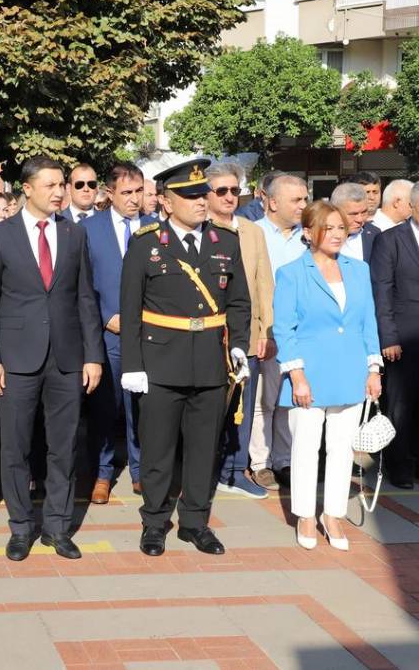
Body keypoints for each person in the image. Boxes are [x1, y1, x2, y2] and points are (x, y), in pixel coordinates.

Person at [121, 158, 251, 557]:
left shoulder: (225, 242)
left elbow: (240, 302)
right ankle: (155, 524)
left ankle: (195, 523)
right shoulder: (146, 244)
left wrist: (238, 345)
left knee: (202, 451)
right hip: (160, 364)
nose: (200, 201)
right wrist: (132, 366)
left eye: (202, 193)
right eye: (190, 195)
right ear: (165, 201)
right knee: (159, 453)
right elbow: (130, 310)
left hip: (211, 364)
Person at [0, 156, 103, 561]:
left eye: (61, 185)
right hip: (16, 359)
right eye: (50, 185)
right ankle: (20, 528)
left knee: (63, 446)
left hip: (67, 358)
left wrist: (93, 356)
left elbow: (86, 297)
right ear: (27, 189)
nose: (59, 192)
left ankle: (57, 526)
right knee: (15, 448)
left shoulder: (74, 234)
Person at [273, 200, 382, 551]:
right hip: (310, 373)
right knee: (306, 446)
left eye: (340, 227)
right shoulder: (291, 273)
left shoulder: (359, 269)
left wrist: (374, 368)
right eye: (328, 228)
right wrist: (298, 376)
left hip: (351, 370)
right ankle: (305, 513)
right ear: (308, 233)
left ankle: (332, 513)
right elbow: (285, 329)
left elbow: (368, 322)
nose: (337, 234)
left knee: (342, 449)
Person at [80, 163, 156, 504]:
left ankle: (141, 470)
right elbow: (80, 285)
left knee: (142, 407)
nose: (134, 199)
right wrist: (103, 317)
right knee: (105, 408)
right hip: (107, 334)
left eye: (139, 191)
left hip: (147, 336)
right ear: (109, 193)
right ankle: (102, 472)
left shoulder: (155, 228)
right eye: (126, 193)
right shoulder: (88, 230)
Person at [205, 163, 273, 500]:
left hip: (246, 337)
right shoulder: (200, 230)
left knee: (242, 410)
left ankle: (234, 471)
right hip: (208, 338)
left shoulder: (252, 231)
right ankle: (202, 470)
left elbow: (264, 285)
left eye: (235, 190)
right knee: (206, 408)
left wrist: (264, 331)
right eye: (222, 191)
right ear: (207, 194)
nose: (230, 197)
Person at [250, 174, 308, 491]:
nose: (303, 205)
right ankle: (260, 462)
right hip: (268, 331)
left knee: (291, 400)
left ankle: (284, 461)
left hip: (300, 333)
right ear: (273, 202)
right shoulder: (253, 234)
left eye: (304, 199)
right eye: (296, 200)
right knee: (265, 400)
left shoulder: (307, 237)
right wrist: (262, 330)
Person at [370, 182, 419, 489]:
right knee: (401, 404)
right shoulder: (391, 240)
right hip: (402, 335)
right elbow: (382, 291)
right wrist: (388, 337)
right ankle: (398, 464)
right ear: (413, 206)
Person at [331, 183, 380, 263]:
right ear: (335, 211)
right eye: (353, 214)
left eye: (364, 212)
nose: (360, 219)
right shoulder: (319, 234)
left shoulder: (374, 234)